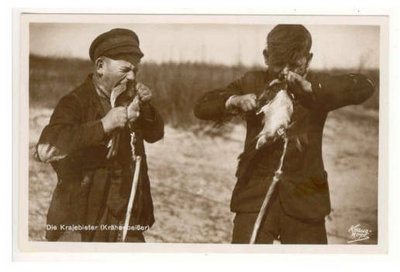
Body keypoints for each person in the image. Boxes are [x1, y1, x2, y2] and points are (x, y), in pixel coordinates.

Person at [193, 24, 375, 244]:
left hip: (306, 201)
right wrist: (233, 101)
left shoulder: (317, 86)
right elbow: (202, 106)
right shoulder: (252, 81)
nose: (285, 72)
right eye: (278, 64)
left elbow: (365, 86)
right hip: (254, 199)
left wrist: (311, 88)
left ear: (308, 59)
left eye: (295, 65)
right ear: (266, 57)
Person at [35, 28, 164, 242]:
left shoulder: (130, 99)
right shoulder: (74, 101)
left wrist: (148, 109)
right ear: (101, 66)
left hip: (126, 215)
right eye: (125, 69)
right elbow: (46, 149)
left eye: (135, 71)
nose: (131, 77)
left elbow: (155, 134)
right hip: (81, 219)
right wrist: (103, 125)